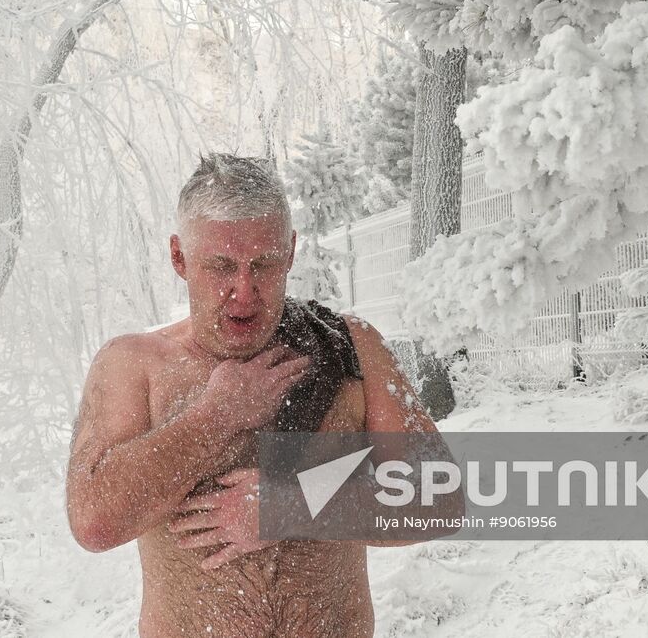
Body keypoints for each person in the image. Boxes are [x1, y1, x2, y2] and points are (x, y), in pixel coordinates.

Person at [66, 153, 452, 638]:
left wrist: (293, 506)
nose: (244, 292)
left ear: (290, 252)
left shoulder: (348, 348)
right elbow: (94, 522)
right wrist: (214, 418)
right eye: (221, 266)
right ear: (179, 257)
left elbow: (441, 497)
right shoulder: (134, 364)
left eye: (264, 264)